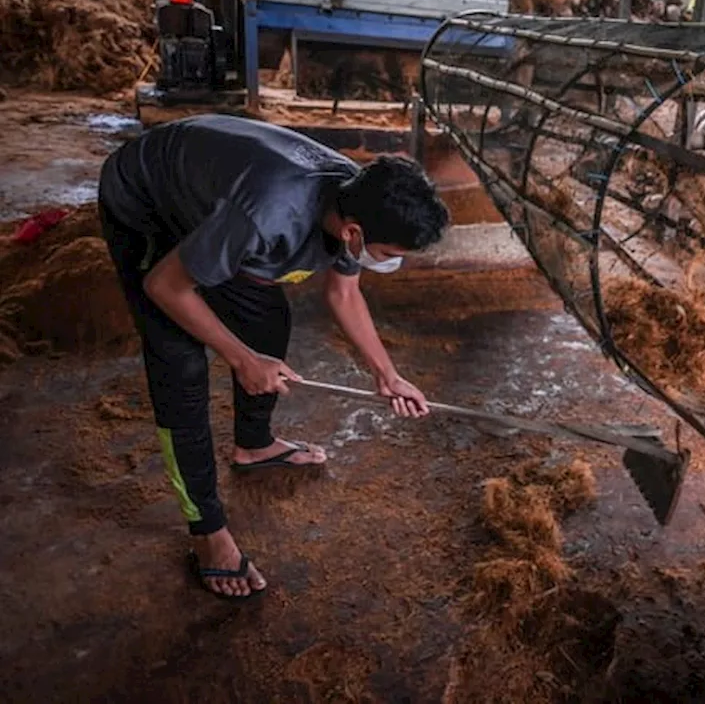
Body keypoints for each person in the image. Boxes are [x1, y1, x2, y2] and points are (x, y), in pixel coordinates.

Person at [97, 114, 449, 600]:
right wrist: (241, 359)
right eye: (389, 251)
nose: (391, 261)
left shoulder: (354, 194)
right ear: (353, 233)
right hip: (148, 199)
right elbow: (165, 285)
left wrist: (388, 376)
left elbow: (344, 293)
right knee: (181, 363)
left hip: (218, 201)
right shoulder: (268, 213)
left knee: (267, 322)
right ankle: (207, 531)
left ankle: (254, 444)